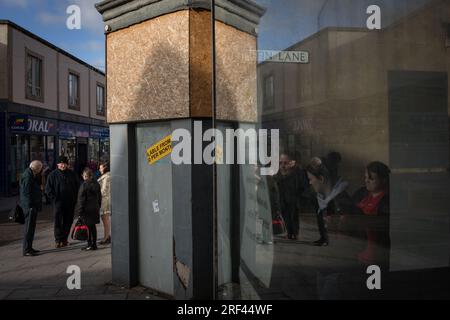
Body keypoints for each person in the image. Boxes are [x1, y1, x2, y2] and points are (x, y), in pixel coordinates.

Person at [306, 153, 352, 246]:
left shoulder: (323, 172)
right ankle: (323, 238)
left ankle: (324, 239)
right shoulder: (324, 170)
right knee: (321, 220)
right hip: (324, 198)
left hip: (325, 198)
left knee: (323, 220)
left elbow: (326, 186)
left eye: (313, 164)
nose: (310, 182)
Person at [45, 156, 80, 248]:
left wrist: (76, 198)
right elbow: (48, 190)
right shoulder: (52, 175)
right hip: (58, 203)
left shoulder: (72, 174)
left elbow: (78, 186)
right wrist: (54, 199)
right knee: (58, 222)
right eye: (61, 163)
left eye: (64, 163)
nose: (63, 165)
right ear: (57, 164)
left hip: (70, 202)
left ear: (67, 164)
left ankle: (64, 239)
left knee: (68, 221)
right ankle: (58, 240)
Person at [274, 152, 309, 240]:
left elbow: (303, 186)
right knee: (286, 215)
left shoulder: (299, 172)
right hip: (284, 198)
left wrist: (299, 196)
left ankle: (295, 233)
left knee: (293, 216)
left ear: (292, 162)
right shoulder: (280, 172)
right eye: (280, 162)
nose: (282, 165)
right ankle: (289, 233)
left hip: (294, 198)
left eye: (285, 163)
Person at [19, 160, 43, 256]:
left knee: (31, 228)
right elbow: (26, 192)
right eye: (40, 168)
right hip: (30, 207)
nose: (41, 170)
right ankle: (26, 249)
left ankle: (29, 247)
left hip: (32, 206)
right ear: (37, 168)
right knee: (28, 228)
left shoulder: (31, 174)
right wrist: (30, 206)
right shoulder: (28, 176)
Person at [76, 168, 102, 251]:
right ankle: (94, 244)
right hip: (94, 208)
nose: (83, 177)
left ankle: (89, 244)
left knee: (88, 227)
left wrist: (80, 211)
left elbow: (81, 200)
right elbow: (99, 197)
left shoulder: (84, 185)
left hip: (86, 210)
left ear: (85, 176)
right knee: (93, 227)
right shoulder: (96, 184)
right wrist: (98, 206)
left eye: (83, 175)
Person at [98, 161, 111, 245]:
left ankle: (106, 237)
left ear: (105, 168)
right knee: (105, 220)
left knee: (105, 220)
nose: (99, 169)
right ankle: (107, 236)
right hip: (104, 200)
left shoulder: (107, 177)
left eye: (101, 167)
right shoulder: (106, 176)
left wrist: (96, 194)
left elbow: (104, 190)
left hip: (104, 201)